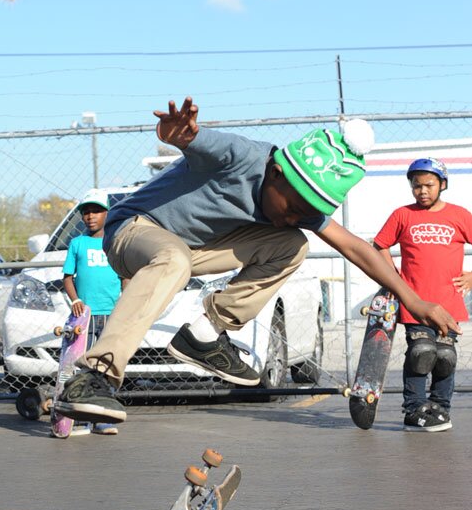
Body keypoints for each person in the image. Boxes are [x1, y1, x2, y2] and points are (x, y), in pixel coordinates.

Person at [59, 97, 460, 425]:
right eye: (291, 208)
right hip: (134, 230)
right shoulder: (240, 155)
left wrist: (415, 300)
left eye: (303, 214)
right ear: (277, 174)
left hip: (192, 250)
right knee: (173, 259)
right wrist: (175, 134)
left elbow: (356, 247)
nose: (291, 218)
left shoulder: (296, 202)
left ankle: (204, 334)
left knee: (290, 244)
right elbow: (190, 139)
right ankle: (94, 376)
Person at [374, 158, 472, 432]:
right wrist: (392, 276)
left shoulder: (459, 215)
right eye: (416, 186)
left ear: (442, 184)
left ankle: (441, 408)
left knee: (445, 356)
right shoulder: (402, 215)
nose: (422, 191)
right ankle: (414, 409)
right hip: (415, 303)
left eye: (429, 185)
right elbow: (380, 244)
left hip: (449, 303)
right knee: (421, 352)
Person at [56, 188, 123, 437]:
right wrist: (76, 300)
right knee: (81, 365)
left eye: (96, 211)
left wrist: (124, 305)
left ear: (107, 213)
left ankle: (102, 418)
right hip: (85, 318)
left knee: (105, 365)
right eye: (86, 212)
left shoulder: (115, 242)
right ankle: (81, 417)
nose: (90, 216)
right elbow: (67, 278)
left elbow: (125, 277)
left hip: (111, 314)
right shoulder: (78, 243)